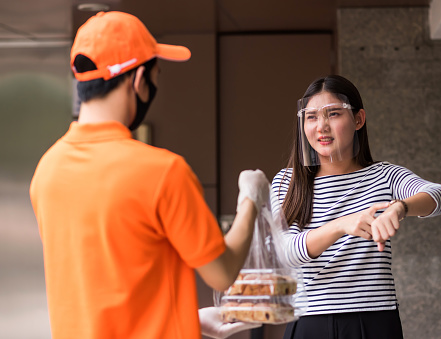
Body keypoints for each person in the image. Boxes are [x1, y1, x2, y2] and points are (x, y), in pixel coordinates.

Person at [29, 11, 269, 339]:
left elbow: (104, 279)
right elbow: (223, 272)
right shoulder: (163, 172)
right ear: (139, 80)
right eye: (156, 76)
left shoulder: (46, 172)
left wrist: (190, 319)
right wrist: (250, 200)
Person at [271, 74, 441, 339]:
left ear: (358, 119)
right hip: (308, 322)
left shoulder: (384, 176)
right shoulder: (288, 182)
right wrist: (341, 225)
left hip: (374, 321)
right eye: (311, 117)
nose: (321, 126)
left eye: (333, 114)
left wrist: (399, 207)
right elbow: (284, 253)